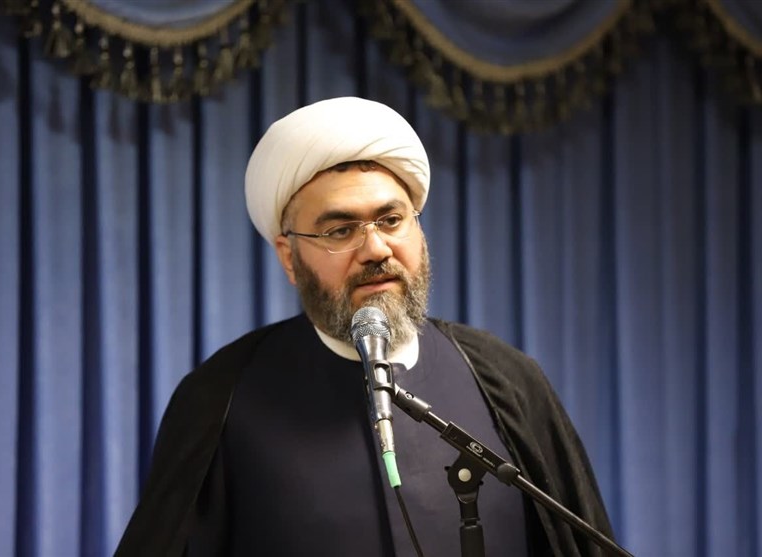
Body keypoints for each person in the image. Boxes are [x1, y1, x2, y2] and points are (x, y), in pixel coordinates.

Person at [116, 97, 614, 556]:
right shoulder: (221, 397)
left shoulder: (506, 380)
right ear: (289, 257)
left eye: (391, 220)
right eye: (341, 230)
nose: (375, 249)